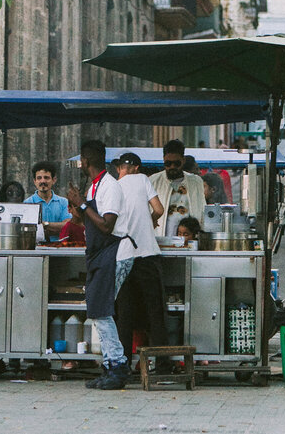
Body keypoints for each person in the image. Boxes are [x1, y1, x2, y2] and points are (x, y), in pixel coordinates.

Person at [68, 138, 134, 389]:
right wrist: (78, 208)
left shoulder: (110, 186)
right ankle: (110, 366)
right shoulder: (93, 187)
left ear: (86, 161)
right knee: (98, 310)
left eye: (81, 161)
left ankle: (117, 366)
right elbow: (89, 220)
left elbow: (107, 224)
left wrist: (82, 204)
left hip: (115, 252)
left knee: (101, 311)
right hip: (100, 254)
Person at [113, 152, 169, 368]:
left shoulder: (113, 186)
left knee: (124, 314)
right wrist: (151, 220)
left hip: (123, 256)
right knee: (156, 312)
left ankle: (123, 365)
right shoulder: (143, 179)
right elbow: (159, 209)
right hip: (146, 255)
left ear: (120, 168)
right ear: (137, 167)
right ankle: (163, 364)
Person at [149, 139, 205, 237]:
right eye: (168, 163)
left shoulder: (196, 182)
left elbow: (202, 211)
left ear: (183, 161)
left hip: (189, 242)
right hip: (159, 239)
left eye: (177, 163)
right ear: (163, 160)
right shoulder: (153, 181)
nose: (172, 167)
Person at [26, 160, 69, 242]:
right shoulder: (27, 203)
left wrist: (44, 225)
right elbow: (29, 232)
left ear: (54, 180)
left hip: (60, 250)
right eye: (39, 178)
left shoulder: (64, 202)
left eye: (46, 177)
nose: (43, 181)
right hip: (35, 250)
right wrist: (56, 228)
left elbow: (68, 226)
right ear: (34, 181)